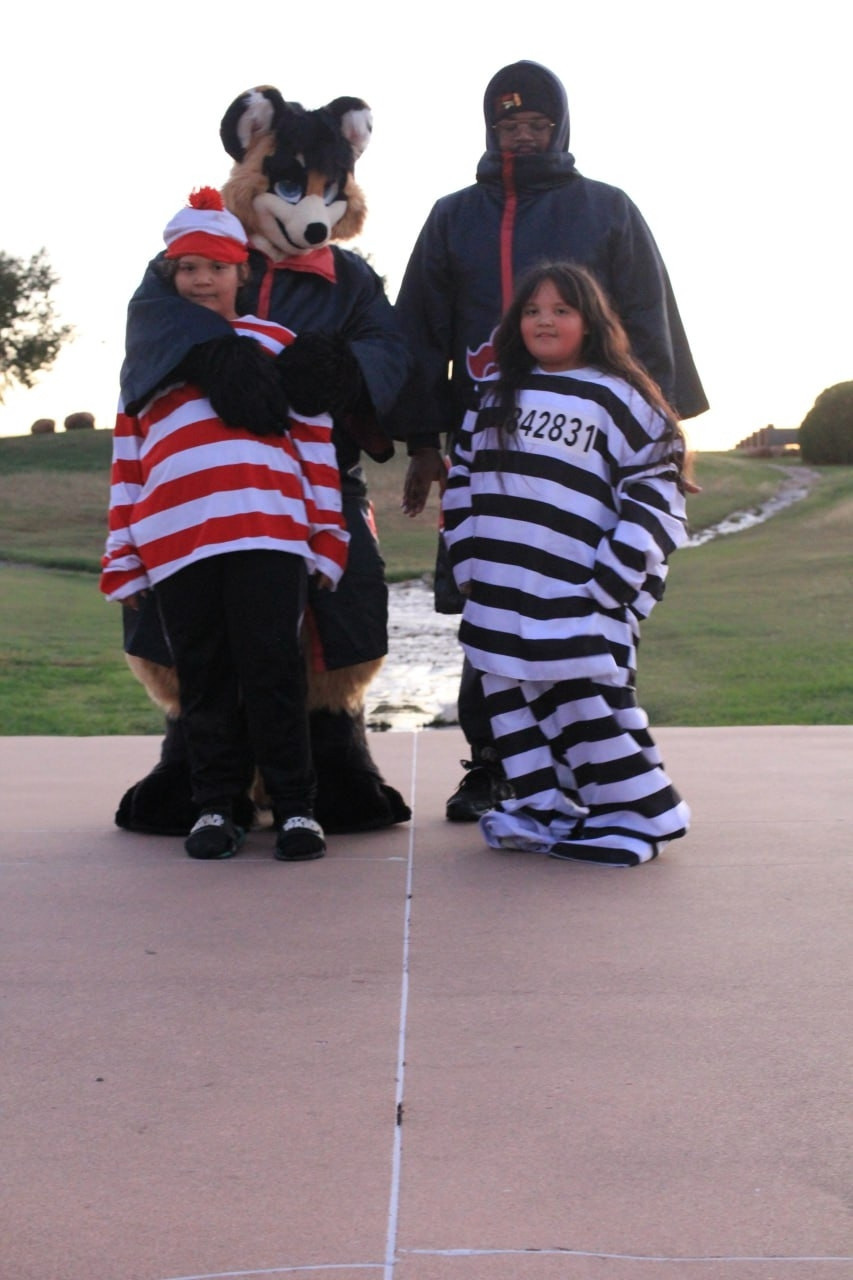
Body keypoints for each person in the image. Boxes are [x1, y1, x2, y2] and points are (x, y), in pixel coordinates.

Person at [391, 59, 708, 822]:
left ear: (558, 128)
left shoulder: (606, 209)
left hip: (585, 460)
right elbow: (417, 334)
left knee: (586, 608)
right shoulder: (451, 216)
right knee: (491, 605)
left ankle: (598, 771)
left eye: (535, 126)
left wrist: (659, 438)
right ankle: (492, 767)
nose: (522, 138)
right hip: (490, 449)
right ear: (488, 130)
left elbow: (648, 325)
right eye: (508, 128)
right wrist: (423, 442)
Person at [101, 189, 349, 862]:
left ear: (244, 271)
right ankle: (217, 806)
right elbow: (128, 466)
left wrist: (328, 537)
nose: (201, 280)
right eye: (185, 268)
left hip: (267, 534)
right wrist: (122, 553)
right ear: (168, 275)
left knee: (273, 671)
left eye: (214, 266)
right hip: (176, 544)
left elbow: (315, 452)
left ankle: (296, 809)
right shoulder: (147, 367)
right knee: (204, 678)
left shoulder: (277, 346)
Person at [441, 261, 691, 867]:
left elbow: (659, 487)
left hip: (581, 593)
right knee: (514, 705)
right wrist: (470, 565)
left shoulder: (620, 396)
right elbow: (463, 481)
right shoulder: (492, 395)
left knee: (588, 705)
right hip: (501, 590)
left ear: (591, 321)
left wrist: (616, 576)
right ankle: (543, 807)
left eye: (561, 310)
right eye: (532, 311)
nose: (544, 320)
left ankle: (635, 816)